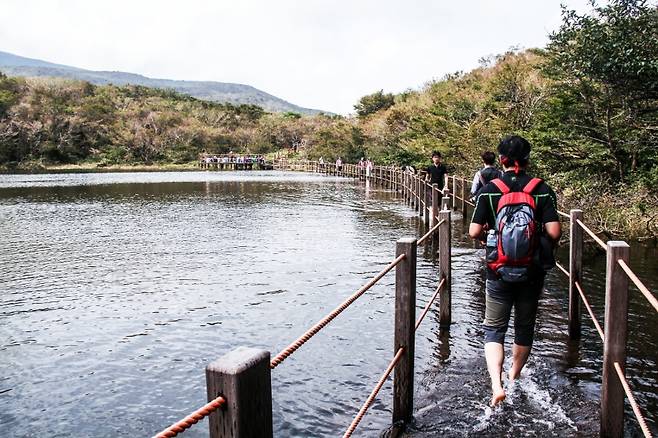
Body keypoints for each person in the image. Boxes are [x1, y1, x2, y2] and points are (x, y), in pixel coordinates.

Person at [468, 135, 561, 407]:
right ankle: (513, 375)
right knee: (524, 327)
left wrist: (491, 234)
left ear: (501, 160)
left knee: (494, 329)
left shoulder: (490, 189)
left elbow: (474, 231)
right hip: (532, 270)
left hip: (498, 268)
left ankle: (496, 385)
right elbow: (554, 231)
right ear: (528, 159)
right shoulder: (541, 188)